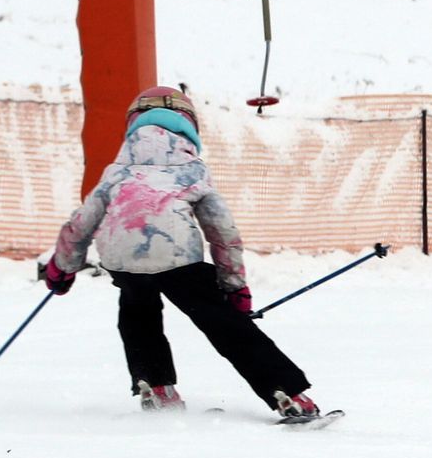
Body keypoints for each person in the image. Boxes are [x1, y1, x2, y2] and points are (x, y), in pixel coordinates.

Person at [43, 85, 321, 419]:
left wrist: (62, 268)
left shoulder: (116, 172)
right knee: (223, 323)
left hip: (122, 258)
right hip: (178, 260)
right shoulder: (193, 170)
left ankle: (156, 386)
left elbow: (81, 223)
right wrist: (234, 286)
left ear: (132, 126)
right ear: (189, 126)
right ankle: (287, 392)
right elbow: (222, 232)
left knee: (137, 313)